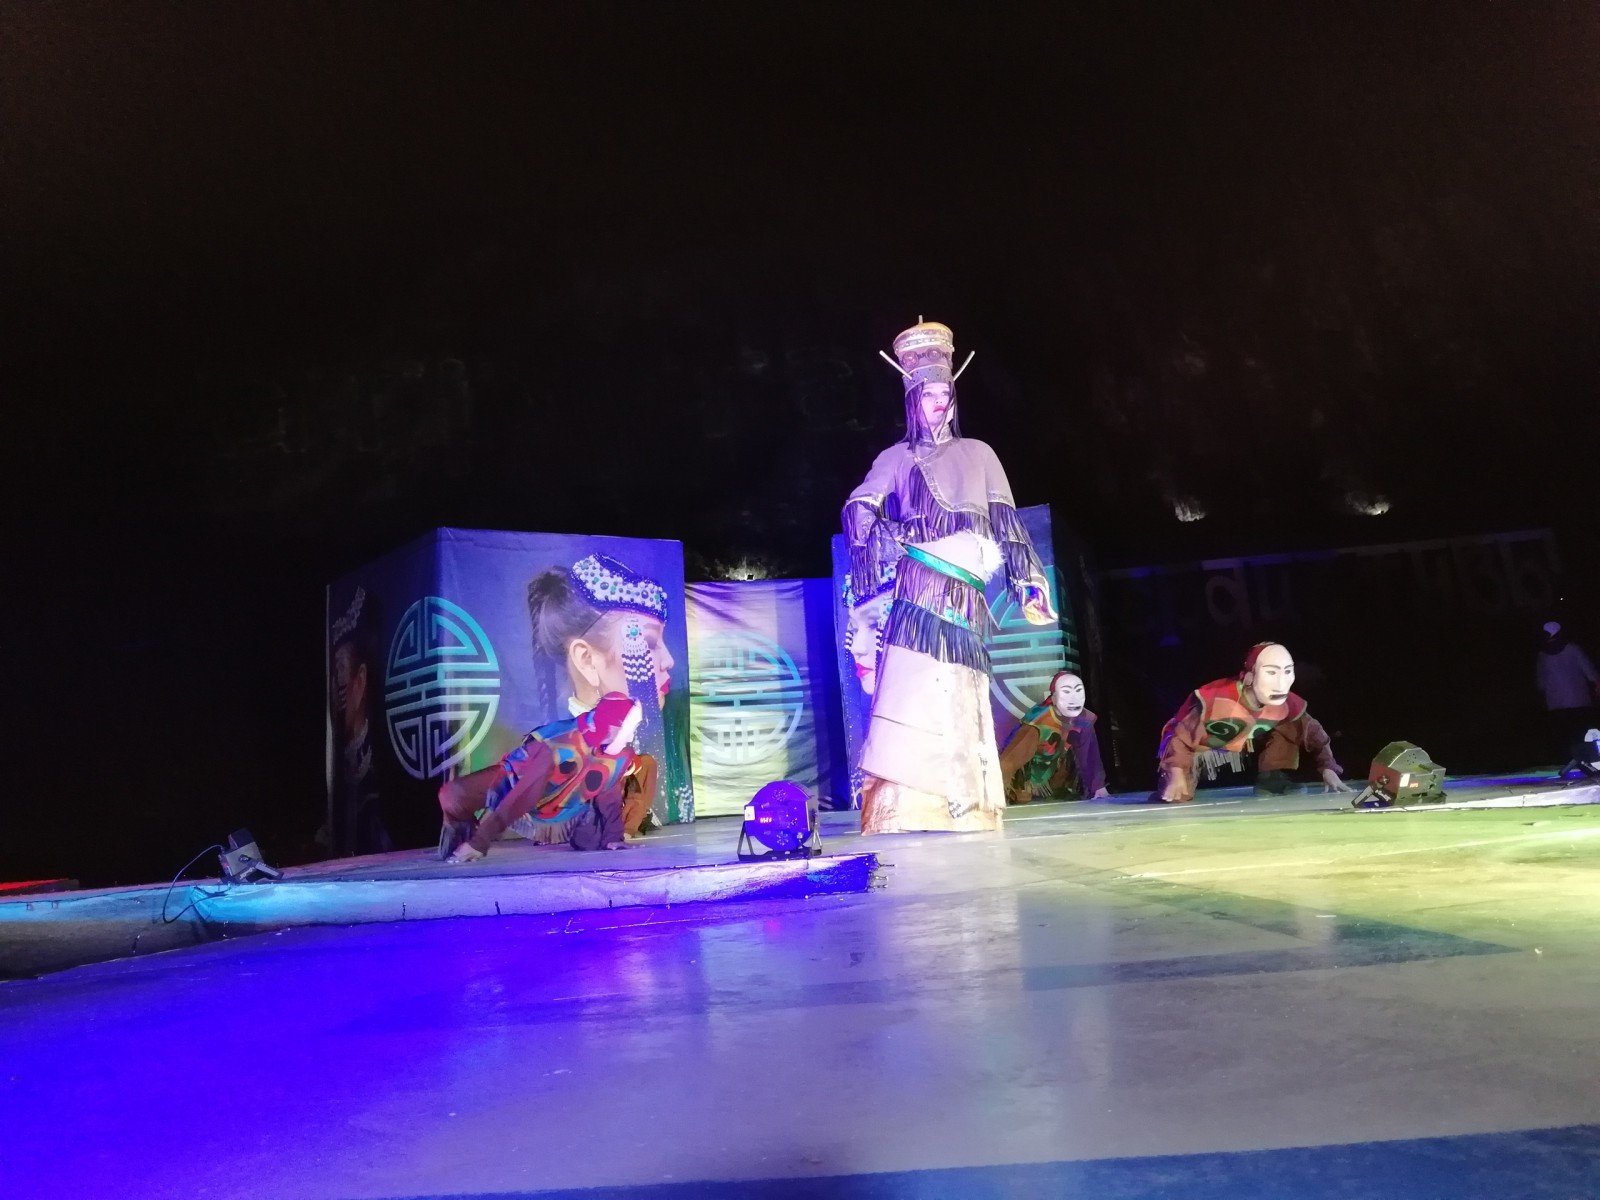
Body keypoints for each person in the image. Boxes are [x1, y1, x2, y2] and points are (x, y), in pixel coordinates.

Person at [842, 320, 1057, 833]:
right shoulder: (895, 458)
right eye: (928, 395)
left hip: (966, 595)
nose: (938, 403)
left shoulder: (980, 453)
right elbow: (858, 507)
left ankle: (963, 802)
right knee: (911, 689)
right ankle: (902, 806)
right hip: (918, 588)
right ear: (911, 399)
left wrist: (1028, 579)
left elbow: (1007, 521)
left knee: (961, 691)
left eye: (945, 393)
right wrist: (891, 534)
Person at [525, 554, 684, 829]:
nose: (669, 660)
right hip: (587, 781)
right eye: (648, 643)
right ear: (587, 659)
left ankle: (621, 829)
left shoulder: (647, 729)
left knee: (642, 764)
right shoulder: (563, 739)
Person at [436, 693, 642, 862]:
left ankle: (587, 832)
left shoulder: (622, 755)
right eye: (627, 729)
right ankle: (463, 834)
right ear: (607, 724)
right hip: (517, 784)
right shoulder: (558, 743)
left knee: (592, 841)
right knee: (453, 796)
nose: (631, 736)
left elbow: (609, 791)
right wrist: (480, 841)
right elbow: (525, 793)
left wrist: (613, 836)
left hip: (563, 810)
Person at [1152, 642, 1351, 802]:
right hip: (1196, 747)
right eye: (1271, 672)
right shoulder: (1218, 700)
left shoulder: (1286, 703)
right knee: (1178, 795)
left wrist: (1328, 768)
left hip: (1242, 743)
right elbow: (1180, 736)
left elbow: (1314, 733)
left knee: (1293, 722)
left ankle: (1271, 778)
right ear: (1248, 677)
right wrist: (1176, 772)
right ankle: (1170, 781)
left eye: (1287, 671)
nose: (1281, 683)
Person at [1000, 670, 1111, 803]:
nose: (1073, 698)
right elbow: (1010, 759)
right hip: (1026, 777)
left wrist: (1098, 787)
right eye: (1066, 692)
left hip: (1054, 775)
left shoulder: (1083, 719)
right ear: (1053, 698)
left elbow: (1089, 756)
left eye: (1078, 691)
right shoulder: (1040, 721)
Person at [1537, 621, 1600, 766]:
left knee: (1565, 734)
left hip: (1555, 702)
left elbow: (1540, 682)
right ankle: (1586, 762)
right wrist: (1596, 681)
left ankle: (1567, 762)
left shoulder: (1542, 655)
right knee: (1581, 733)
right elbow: (1588, 670)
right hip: (1578, 699)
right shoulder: (1572, 648)